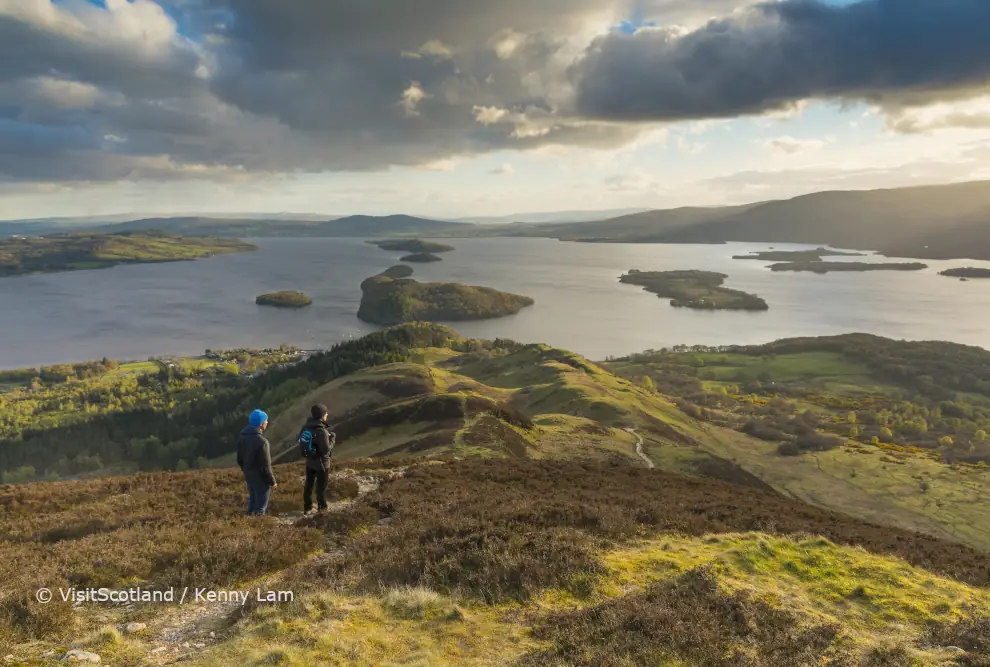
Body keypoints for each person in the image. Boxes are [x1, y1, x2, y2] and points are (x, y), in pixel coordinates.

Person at [237, 409, 277, 515]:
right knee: (260, 507)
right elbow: (265, 465)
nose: (267, 422)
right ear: (261, 423)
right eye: (266, 421)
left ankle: (249, 524)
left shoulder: (242, 437)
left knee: (253, 501)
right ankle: (257, 526)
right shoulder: (262, 442)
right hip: (261, 478)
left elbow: (239, 459)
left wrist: (246, 470)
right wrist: (272, 482)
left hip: (249, 474)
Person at [300, 404, 336, 514]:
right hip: (322, 464)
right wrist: (332, 439)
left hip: (310, 461)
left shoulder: (306, 427)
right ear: (322, 416)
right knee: (321, 488)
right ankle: (322, 509)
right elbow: (326, 449)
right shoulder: (322, 431)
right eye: (326, 413)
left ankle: (308, 507)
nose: (327, 415)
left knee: (308, 485)